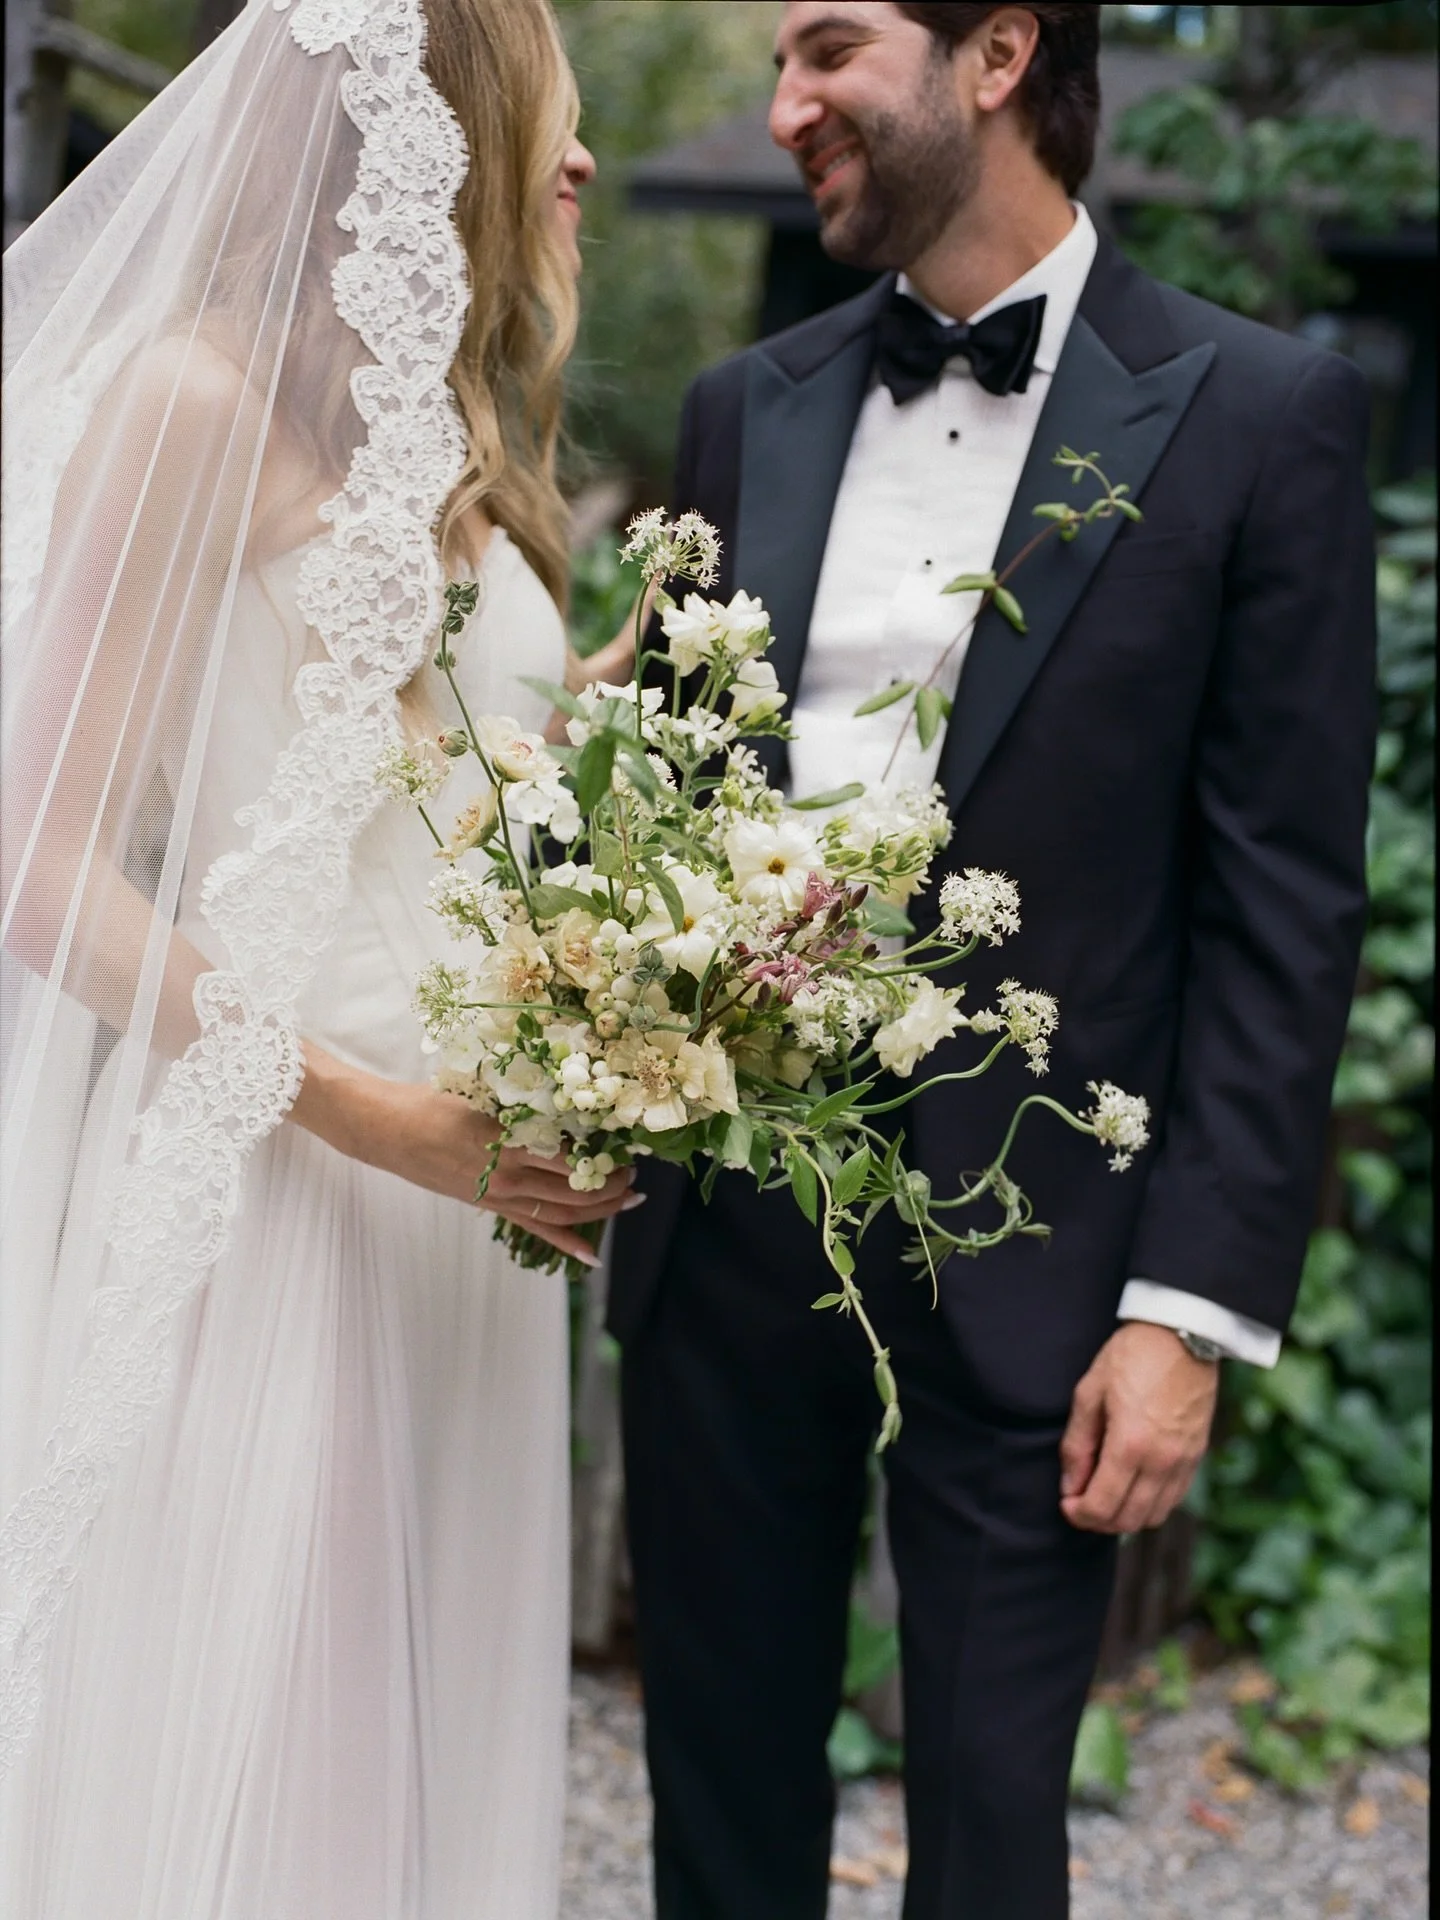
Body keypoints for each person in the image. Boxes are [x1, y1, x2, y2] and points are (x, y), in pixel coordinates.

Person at [610, 6, 1376, 1917]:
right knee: (713, 1807)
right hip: (728, 1220)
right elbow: (672, 824)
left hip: (1046, 1250)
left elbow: (1284, 905)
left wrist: (1187, 1310)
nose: (784, 108)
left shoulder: (1260, 415)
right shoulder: (745, 405)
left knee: (986, 1821)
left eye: (827, 48)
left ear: (998, 53)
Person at [0, 2, 635, 1913]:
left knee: (411, 1783)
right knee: (284, 1789)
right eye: (550, 112)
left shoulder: (432, 428)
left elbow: (400, 775)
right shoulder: (191, 395)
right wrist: (365, 1111)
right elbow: (43, 861)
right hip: (286, 1192)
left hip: (465, 1207)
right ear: (427, 126)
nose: (584, 161)